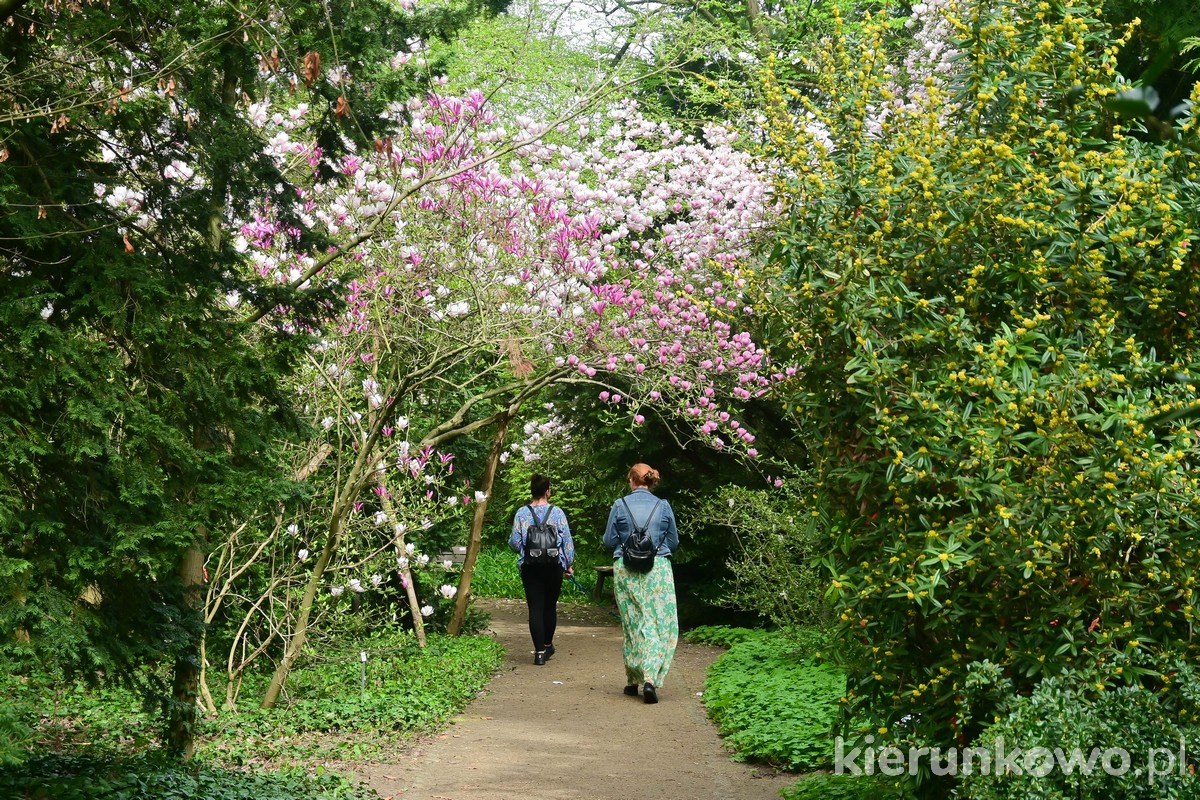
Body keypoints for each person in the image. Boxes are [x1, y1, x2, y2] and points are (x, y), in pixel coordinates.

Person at [602, 462, 679, 704]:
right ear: (650, 481)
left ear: (633, 481)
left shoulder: (619, 505)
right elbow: (673, 541)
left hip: (625, 569)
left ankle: (632, 680)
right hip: (658, 570)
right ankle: (650, 680)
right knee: (655, 623)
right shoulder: (663, 506)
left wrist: (626, 545)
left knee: (633, 621)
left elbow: (608, 540)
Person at [509, 474, 575, 665]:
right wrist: (567, 564)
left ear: (532, 490)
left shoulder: (522, 513)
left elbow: (514, 543)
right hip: (553, 566)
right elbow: (567, 542)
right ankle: (547, 645)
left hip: (530, 567)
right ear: (548, 491)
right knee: (549, 606)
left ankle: (538, 653)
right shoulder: (558, 513)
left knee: (535, 608)